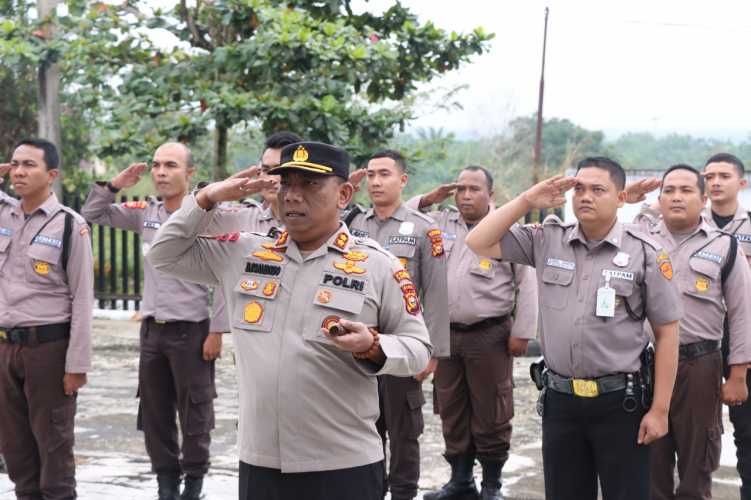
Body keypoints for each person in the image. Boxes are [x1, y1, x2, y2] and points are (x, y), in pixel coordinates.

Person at [147, 141, 432, 500]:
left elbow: (419, 348)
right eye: (286, 184)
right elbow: (164, 255)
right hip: (261, 462)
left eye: (310, 185)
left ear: (344, 194)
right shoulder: (243, 253)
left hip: (343, 466)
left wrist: (374, 346)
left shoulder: (377, 265)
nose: (293, 196)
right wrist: (207, 198)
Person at [465, 157, 682, 500]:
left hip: (621, 402)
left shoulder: (646, 252)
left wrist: (659, 410)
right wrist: (526, 200)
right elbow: (477, 241)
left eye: (598, 190)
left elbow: (668, 334)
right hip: (561, 402)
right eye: (579, 188)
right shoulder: (548, 240)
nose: (586, 197)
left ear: (621, 198)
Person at [81, 142, 221, 500]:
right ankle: (166, 482)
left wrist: (218, 330)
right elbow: (92, 214)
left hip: (193, 331)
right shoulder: (146, 213)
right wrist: (114, 184)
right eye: (157, 165)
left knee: (195, 413)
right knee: (155, 412)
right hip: (153, 331)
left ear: (190, 173)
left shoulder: (209, 214)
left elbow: (226, 276)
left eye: (170, 165)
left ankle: (194, 483)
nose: (160, 172)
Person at [408, 165, 538, 500]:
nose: (466, 195)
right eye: (460, 189)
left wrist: (522, 331)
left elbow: (528, 283)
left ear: (490, 195)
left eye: (474, 189)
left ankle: (491, 484)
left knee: (492, 408)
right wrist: (426, 198)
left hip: (490, 334)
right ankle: (460, 480)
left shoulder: (506, 226)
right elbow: (399, 218)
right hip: (445, 335)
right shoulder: (439, 222)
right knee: (451, 407)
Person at [624, 164, 751, 500]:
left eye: (686, 190)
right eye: (669, 191)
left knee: (697, 465)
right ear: (659, 199)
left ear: (703, 198)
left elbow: (742, 312)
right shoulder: (640, 238)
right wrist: (628, 199)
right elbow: (604, 228)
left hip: (699, 366)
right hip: (644, 367)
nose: (677, 197)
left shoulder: (726, 247)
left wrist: (738, 373)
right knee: (650, 462)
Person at [347, 149, 450, 500]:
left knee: (404, 430)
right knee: (361, 429)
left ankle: (404, 493)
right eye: (371, 174)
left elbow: (436, 293)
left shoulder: (424, 229)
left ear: (402, 181)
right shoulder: (353, 225)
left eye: (385, 174)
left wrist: (433, 352)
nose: (376, 181)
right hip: (357, 345)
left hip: (402, 344)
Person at [0, 138, 94, 500]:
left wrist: (77, 365)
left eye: (29, 165)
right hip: (6, 349)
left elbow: (83, 299)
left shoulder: (70, 226)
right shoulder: (4, 214)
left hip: (49, 352)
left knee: (54, 453)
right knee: (16, 451)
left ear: (52, 174)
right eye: (14, 164)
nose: (19, 172)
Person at [701, 153, 751, 499]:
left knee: (747, 430)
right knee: (694, 430)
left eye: (723, 176)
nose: (715, 182)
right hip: (698, 336)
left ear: (741, 183)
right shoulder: (688, 223)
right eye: (709, 176)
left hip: (742, 333)